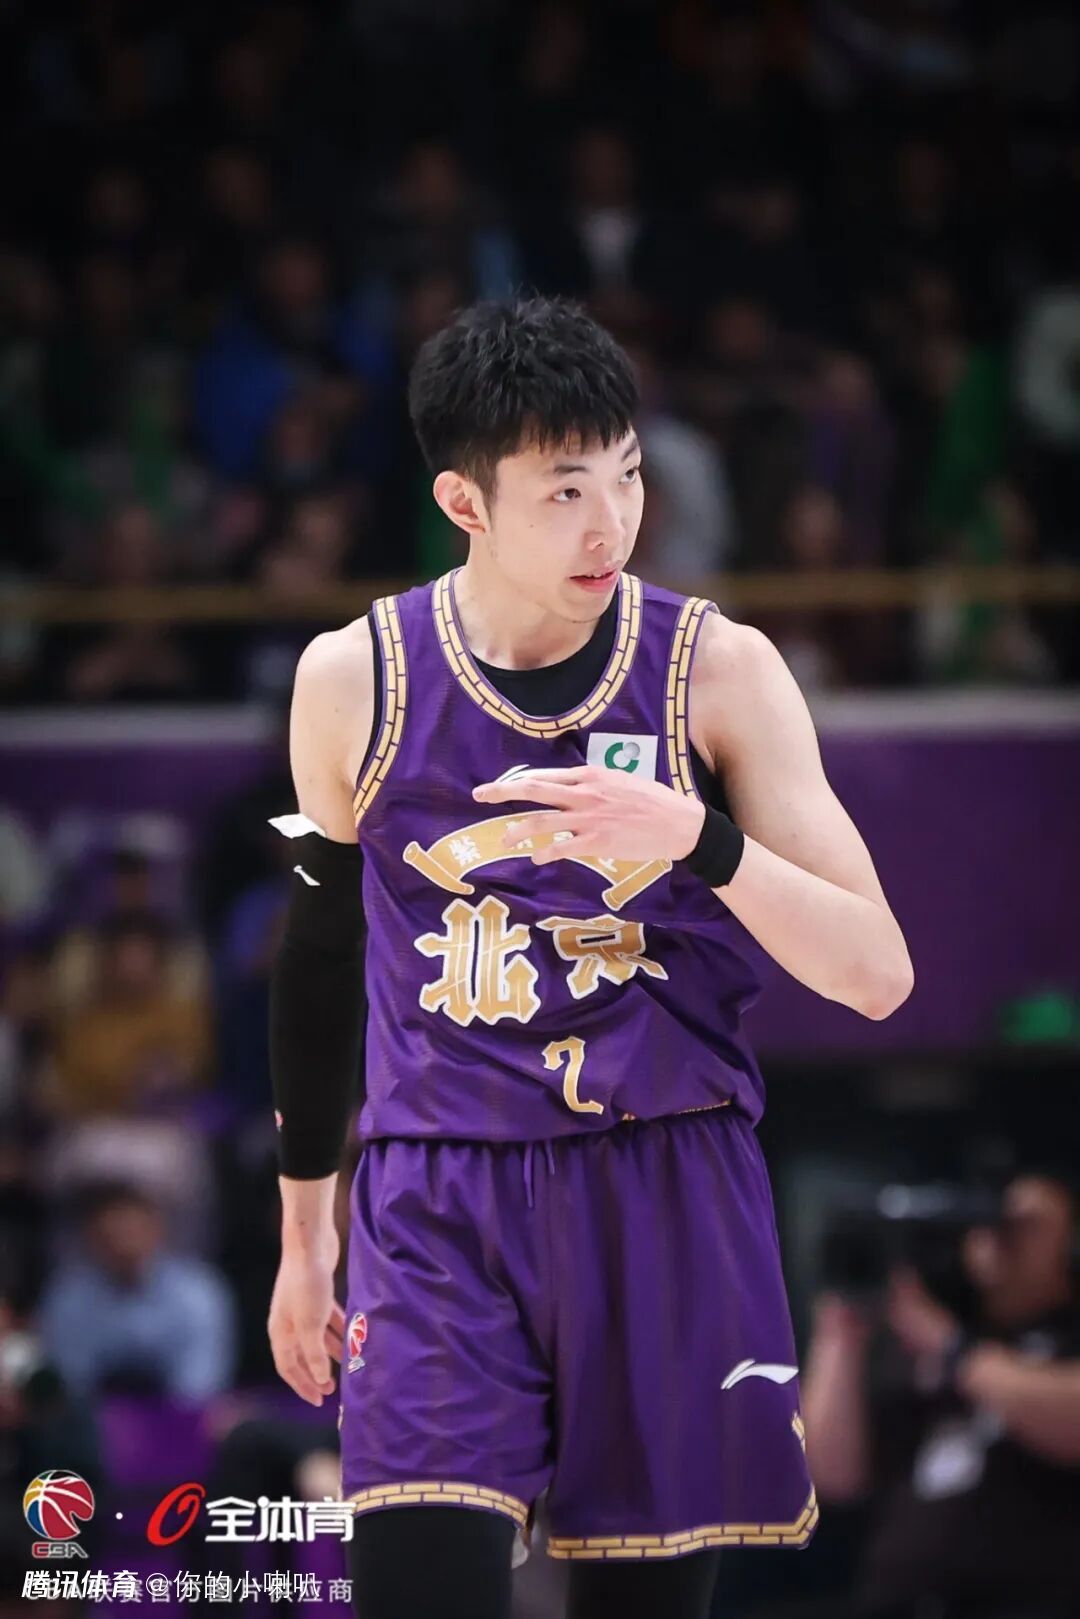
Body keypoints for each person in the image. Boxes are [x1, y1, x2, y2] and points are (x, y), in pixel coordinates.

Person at [266, 295, 913, 1619]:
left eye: (624, 474)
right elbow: (320, 960)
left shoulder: (719, 670)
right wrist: (304, 1236)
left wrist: (699, 839)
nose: (611, 522)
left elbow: (876, 971)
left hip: (660, 1178)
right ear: (465, 500)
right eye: (565, 490)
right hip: (440, 1192)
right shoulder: (353, 678)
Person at [801, 1171, 1080, 1619]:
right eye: (992, 1224)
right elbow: (833, 1476)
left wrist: (949, 1346)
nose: (998, 1240)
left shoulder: (1052, 1337)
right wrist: (840, 1334)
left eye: (1021, 1228)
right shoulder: (934, 1335)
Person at [38, 1180, 237, 1403]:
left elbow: (201, 1384)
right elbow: (71, 1382)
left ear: (157, 1230)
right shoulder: (68, 1298)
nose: (123, 1245)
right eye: (110, 1236)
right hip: (98, 1417)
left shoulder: (199, 1292)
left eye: (131, 1232)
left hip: (180, 1417)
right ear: (90, 1240)